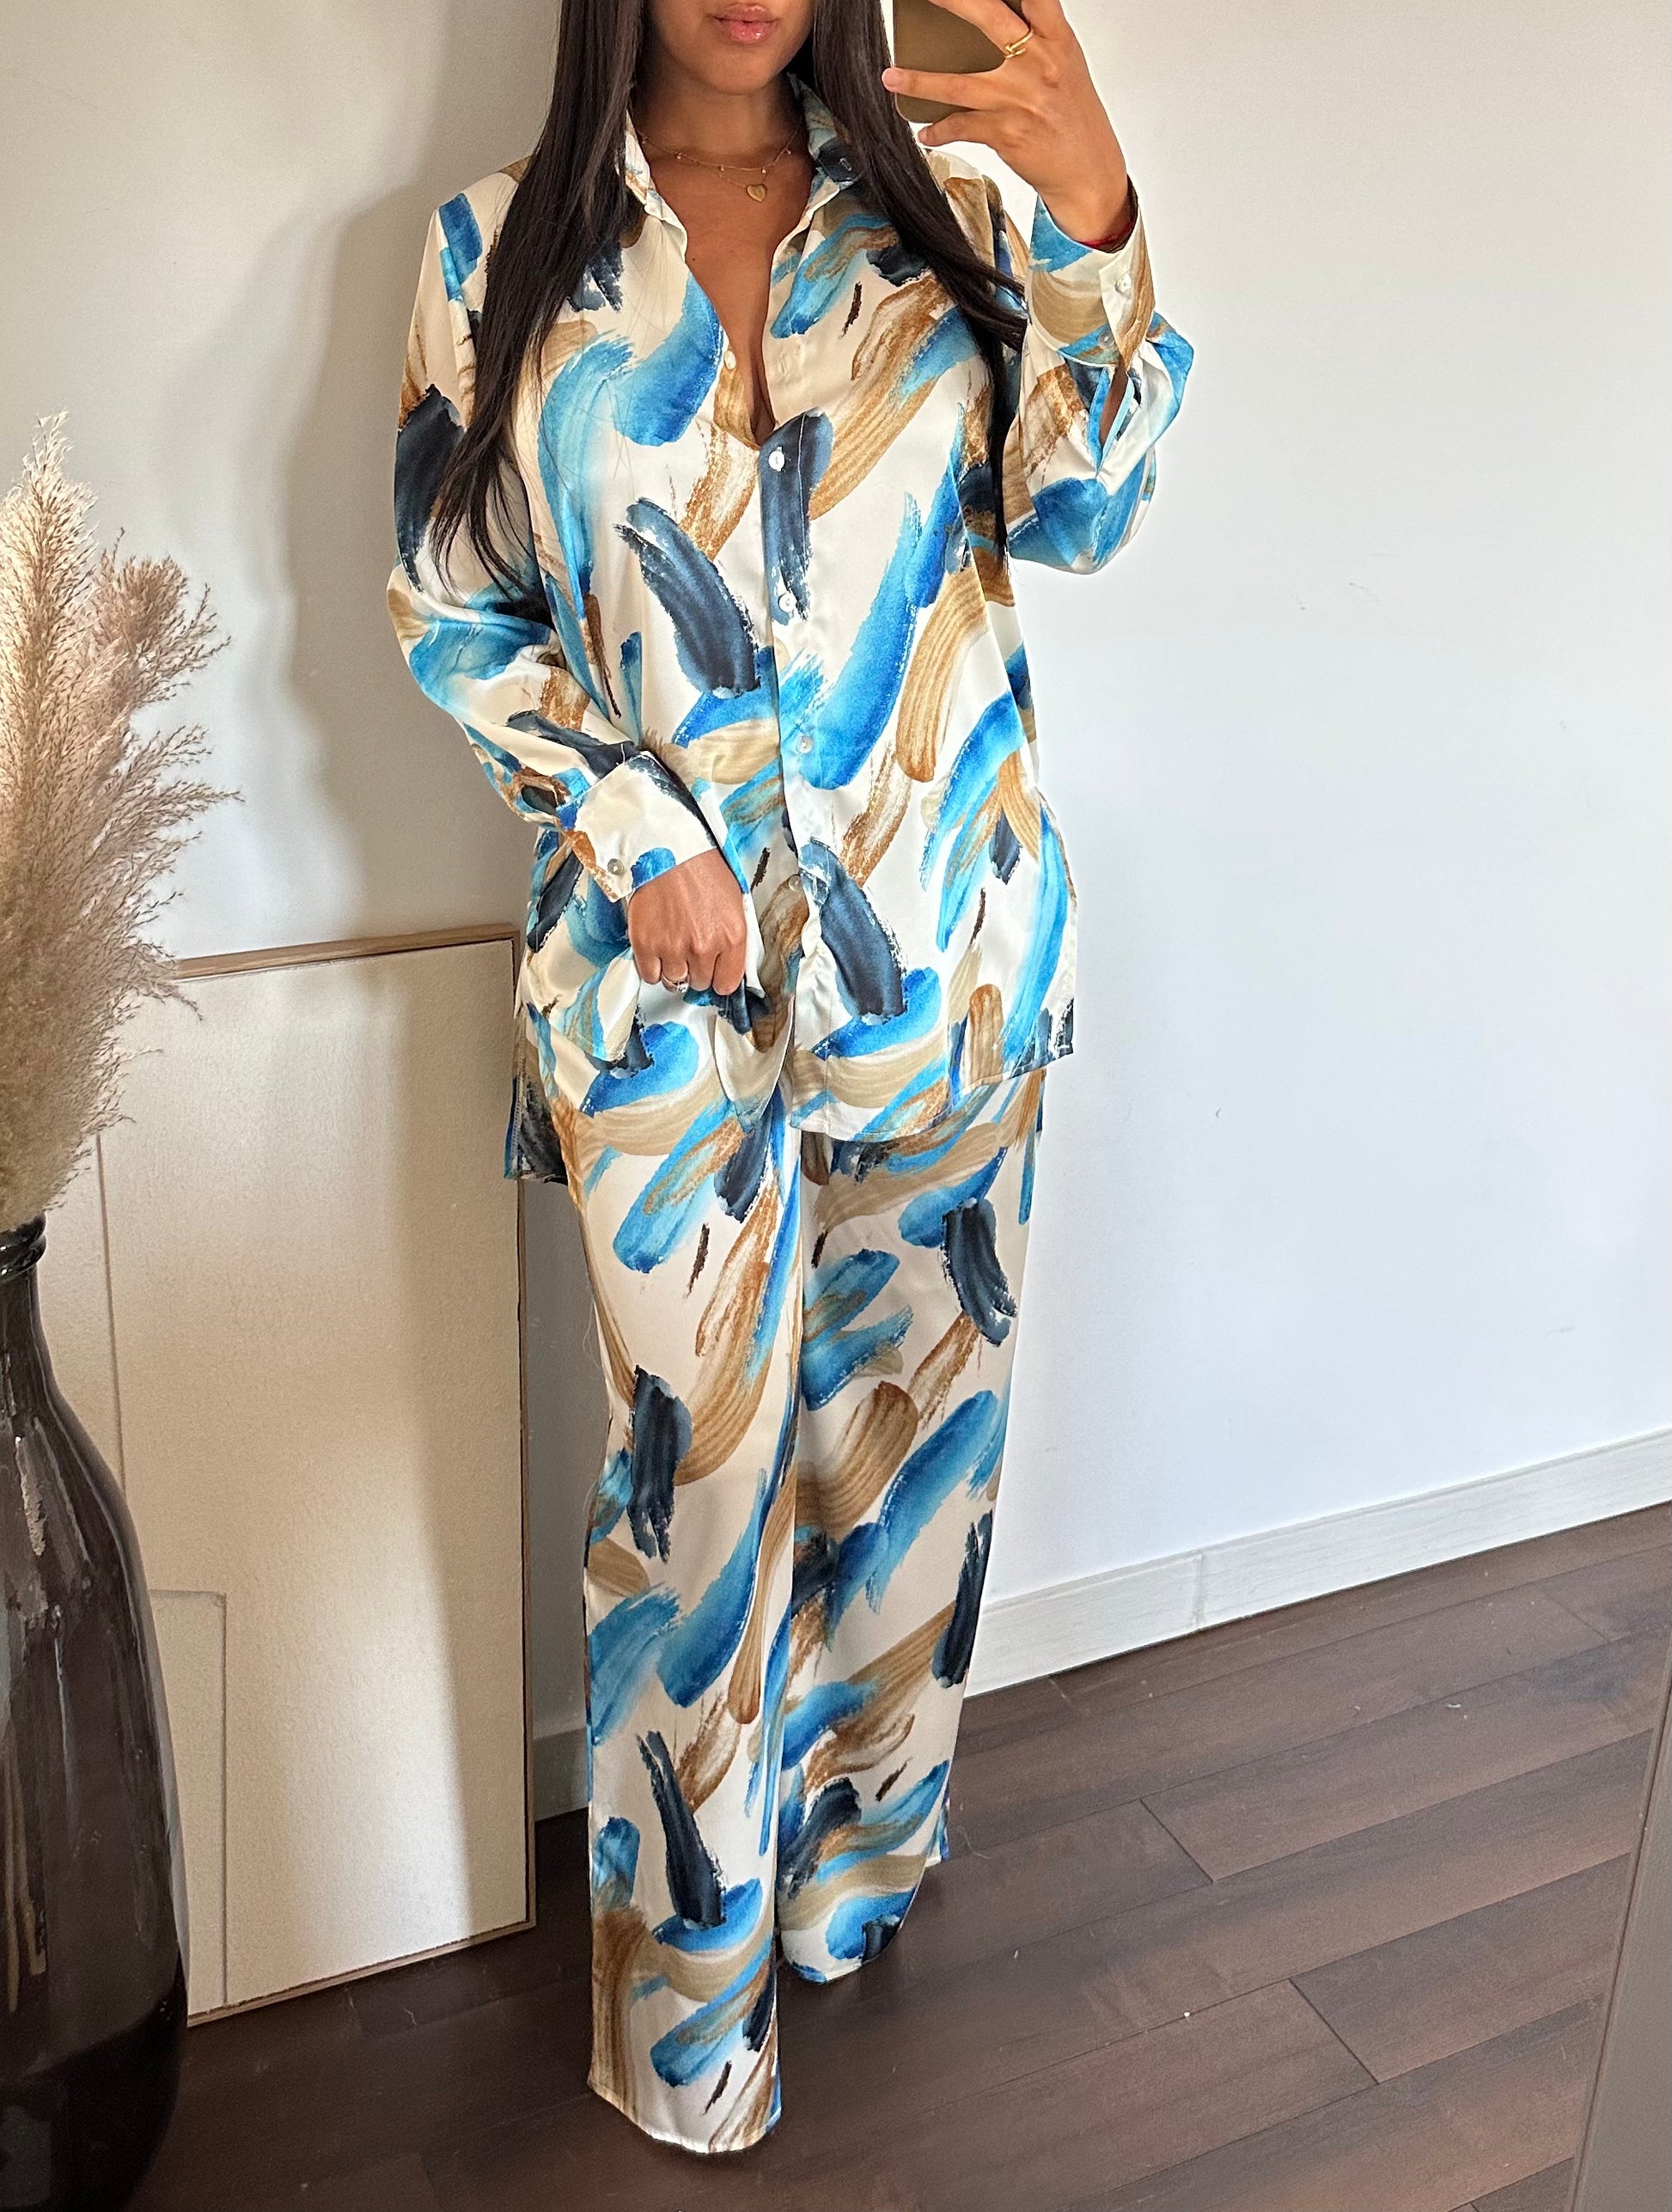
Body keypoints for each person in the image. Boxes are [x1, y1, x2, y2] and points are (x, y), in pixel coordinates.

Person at [387, 0, 1190, 2155]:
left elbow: (1090, 511)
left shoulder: (951, 234)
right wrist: (631, 819)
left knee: (903, 1469)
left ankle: (845, 1895)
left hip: (946, 968)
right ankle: (684, 2035)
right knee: (696, 1497)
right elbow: (453, 603)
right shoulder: (495, 256)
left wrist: (1095, 207)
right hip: (662, 1006)